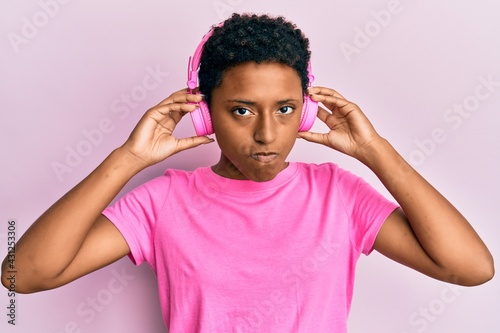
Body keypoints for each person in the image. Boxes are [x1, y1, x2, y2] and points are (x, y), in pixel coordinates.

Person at [1, 13, 494, 332]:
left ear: (305, 110)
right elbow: (22, 276)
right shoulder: (162, 201)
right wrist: (127, 159)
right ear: (204, 111)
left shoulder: (338, 195)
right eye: (241, 110)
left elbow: (471, 268)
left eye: (284, 109)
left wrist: (376, 151)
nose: (266, 134)